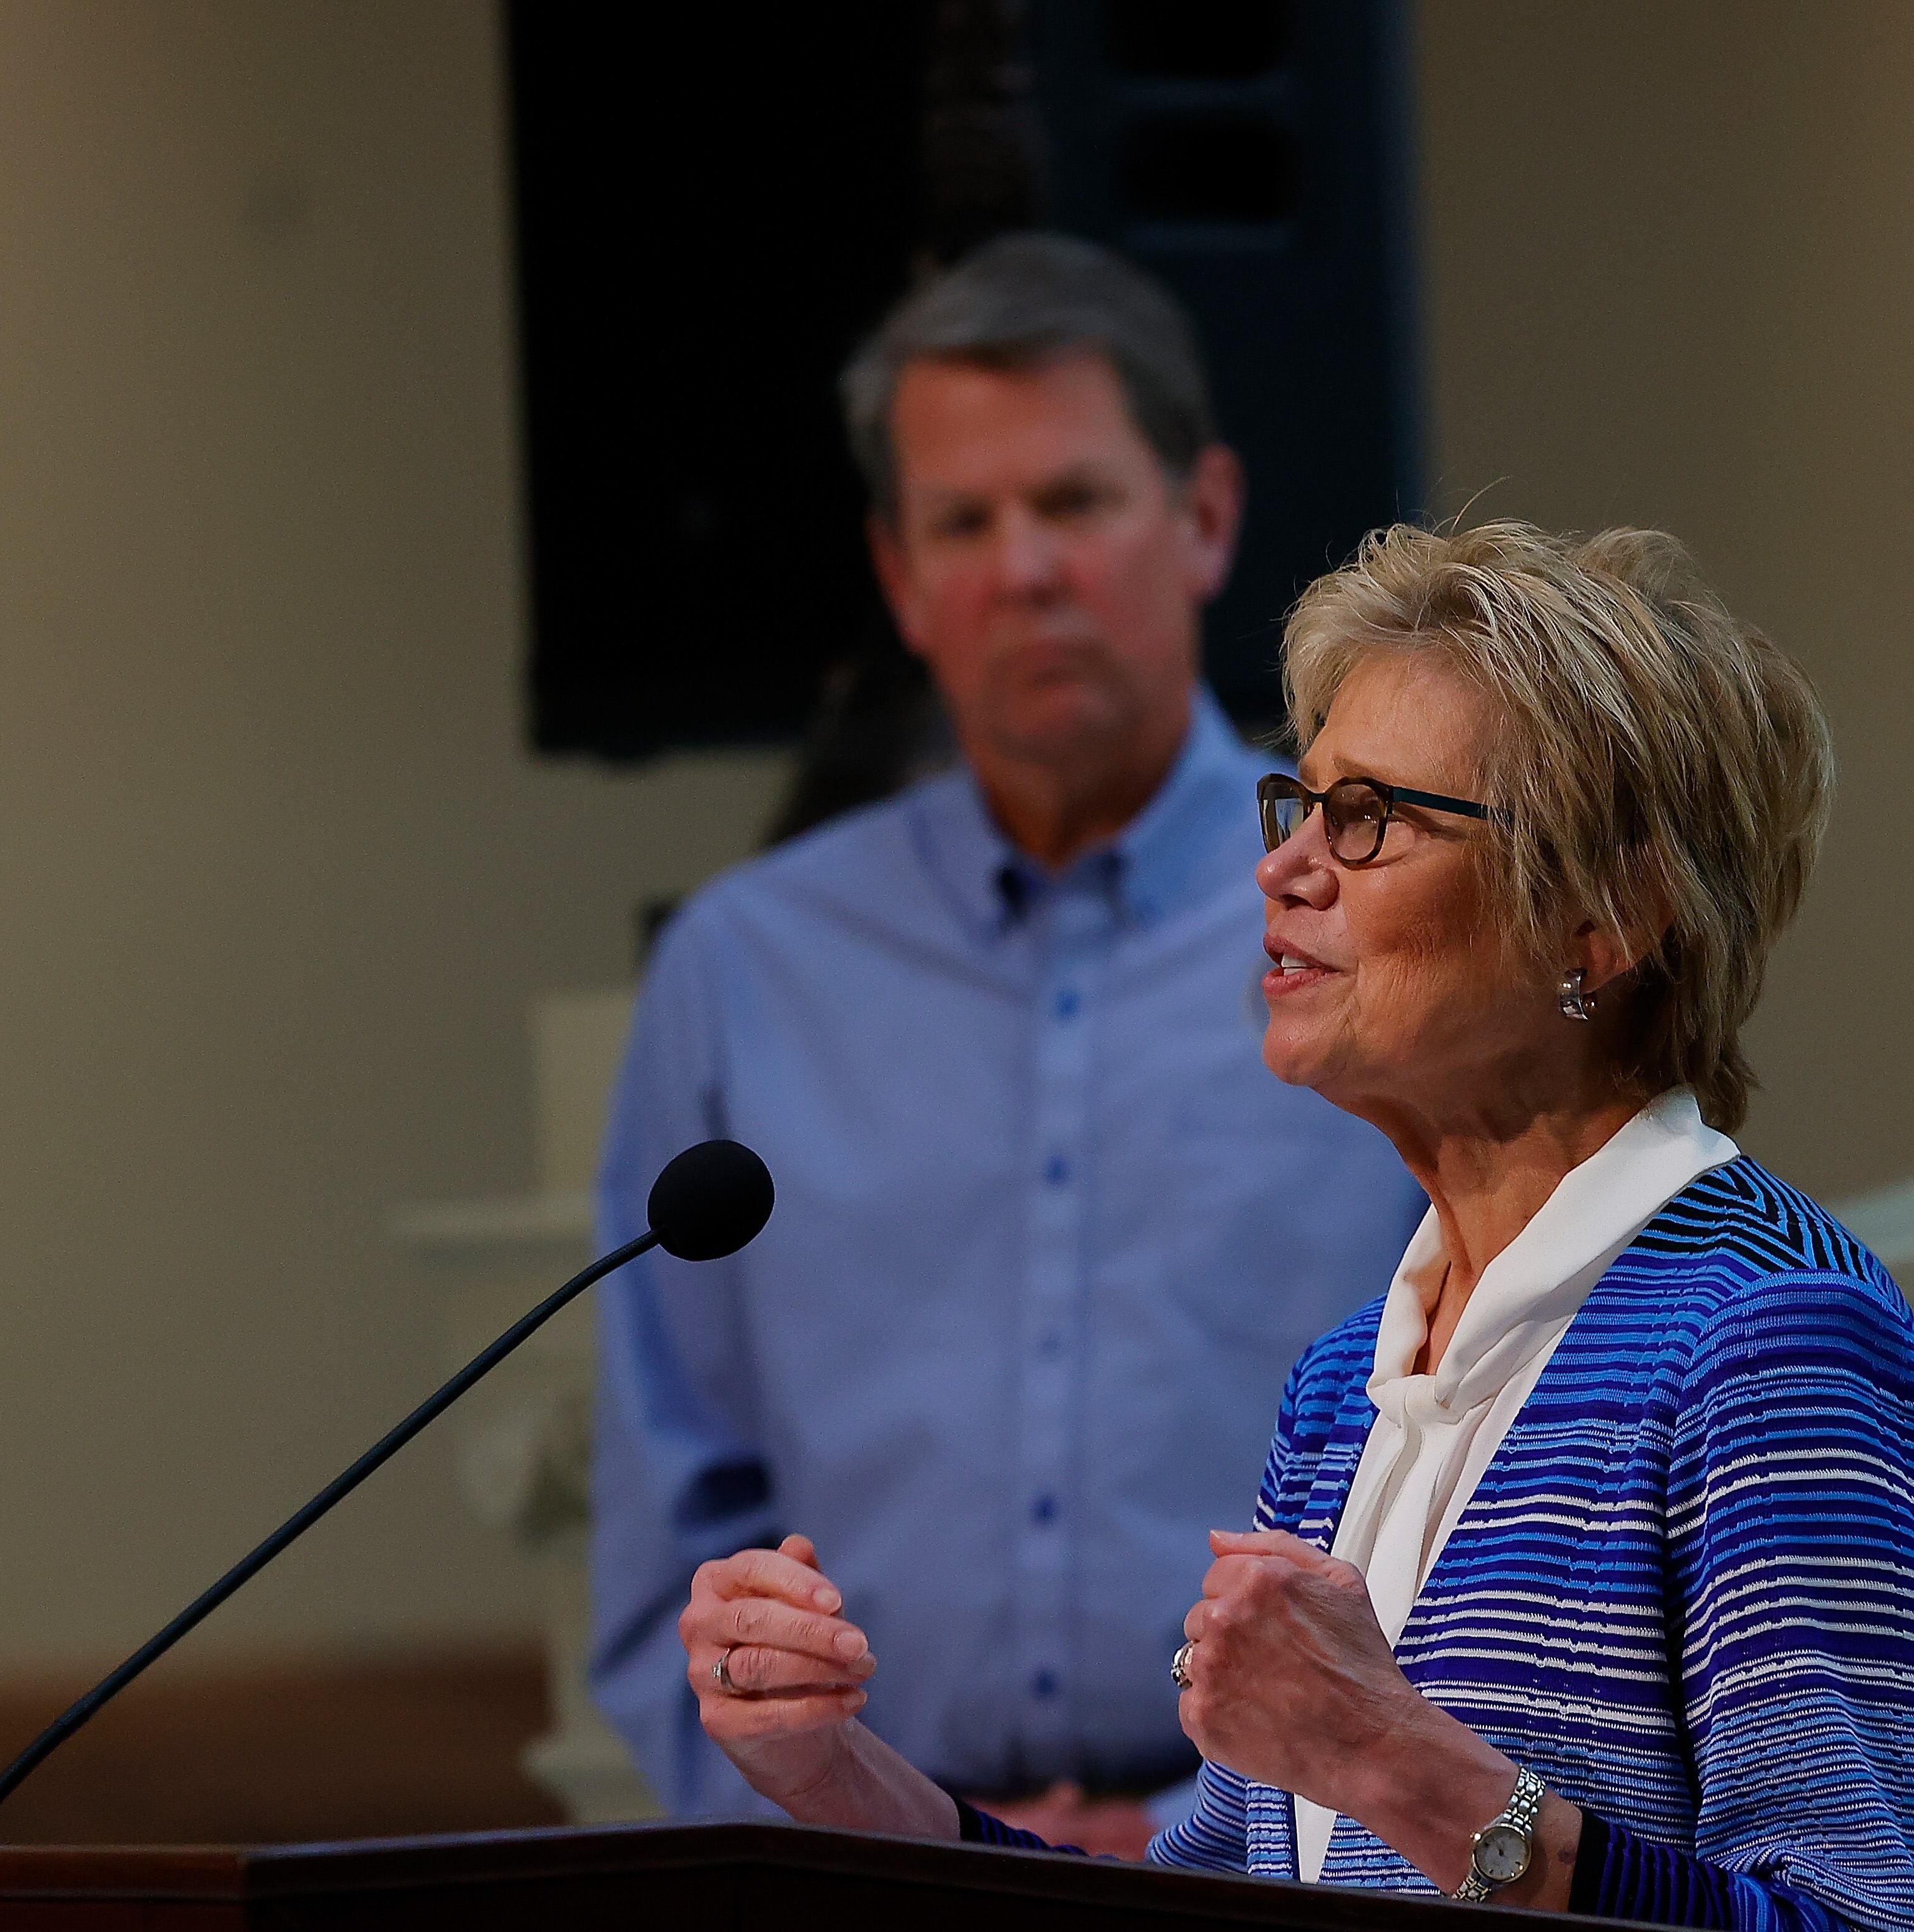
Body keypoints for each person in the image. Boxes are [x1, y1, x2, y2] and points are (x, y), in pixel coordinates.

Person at [677, 520, 1914, 1929]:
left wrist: (1386, 1755)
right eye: (1296, 806)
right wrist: (836, 1778)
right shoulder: (1344, 1390)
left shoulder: (1776, 1343)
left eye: (1369, 816)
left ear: (1602, 918)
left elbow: (1878, 1921)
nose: (1285, 868)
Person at [588, 234, 1425, 1850]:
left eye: (1074, 501)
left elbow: (1490, 1470)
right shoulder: (746, 968)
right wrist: (861, 1818)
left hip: (1311, 1875)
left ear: (1205, 516)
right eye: (963, 523)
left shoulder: (1382, 924)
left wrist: (1206, 1835)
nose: (1023, 566)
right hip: (863, 1880)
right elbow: (667, 1521)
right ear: (899, 579)